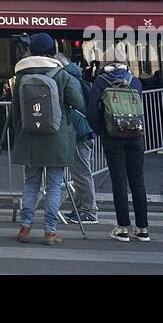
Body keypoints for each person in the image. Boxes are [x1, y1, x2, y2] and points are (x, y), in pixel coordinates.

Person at [8, 32, 85, 245]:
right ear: (53, 51)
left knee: (31, 183)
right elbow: (78, 102)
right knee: (53, 186)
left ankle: (25, 227)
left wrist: (18, 133)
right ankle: (50, 232)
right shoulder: (62, 74)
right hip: (57, 139)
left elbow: (16, 111)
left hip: (30, 138)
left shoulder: (21, 76)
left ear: (31, 50)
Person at [88, 43, 149, 241]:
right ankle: (143, 228)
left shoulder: (101, 81)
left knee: (119, 181)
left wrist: (100, 132)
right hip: (136, 136)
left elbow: (92, 111)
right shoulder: (135, 81)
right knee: (138, 181)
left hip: (113, 136)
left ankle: (123, 226)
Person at [55, 41, 99, 224]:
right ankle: (81, 208)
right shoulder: (74, 74)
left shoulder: (64, 78)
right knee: (80, 171)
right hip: (83, 128)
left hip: (77, 130)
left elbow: (73, 103)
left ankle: (89, 211)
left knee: (81, 172)